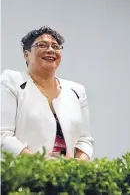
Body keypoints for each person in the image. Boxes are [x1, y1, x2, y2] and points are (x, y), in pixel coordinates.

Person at [1, 26, 94, 161]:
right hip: (23, 176)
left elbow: (84, 140)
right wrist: (42, 164)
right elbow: (3, 136)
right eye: (42, 45)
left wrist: (78, 164)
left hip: (67, 177)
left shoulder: (76, 91)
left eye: (55, 47)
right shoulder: (11, 82)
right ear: (26, 54)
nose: (50, 50)